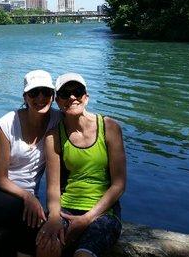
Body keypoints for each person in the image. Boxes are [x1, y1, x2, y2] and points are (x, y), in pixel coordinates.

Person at [0, 69, 62, 256]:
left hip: (25, 199)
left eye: (46, 92)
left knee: (41, 229)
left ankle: (6, 243)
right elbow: (1, 178)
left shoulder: (57, 121)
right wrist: (28, 197)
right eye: (34, 93)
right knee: (36, 225)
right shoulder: (7, 124)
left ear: (53, 97)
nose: (40, 98)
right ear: (25, 97)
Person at [36, 73, 126, 257]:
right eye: (64, 94)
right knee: (46, 247)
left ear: (86, 97)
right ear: (58, 101)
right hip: (66, 208)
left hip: (103, 212)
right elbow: (53, 188)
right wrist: (54, 217)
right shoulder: (54, 137)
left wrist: (87, 218)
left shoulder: (109, 127)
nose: (71, 97)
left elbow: (119, 184)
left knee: (83, 255)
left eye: (77, 92)